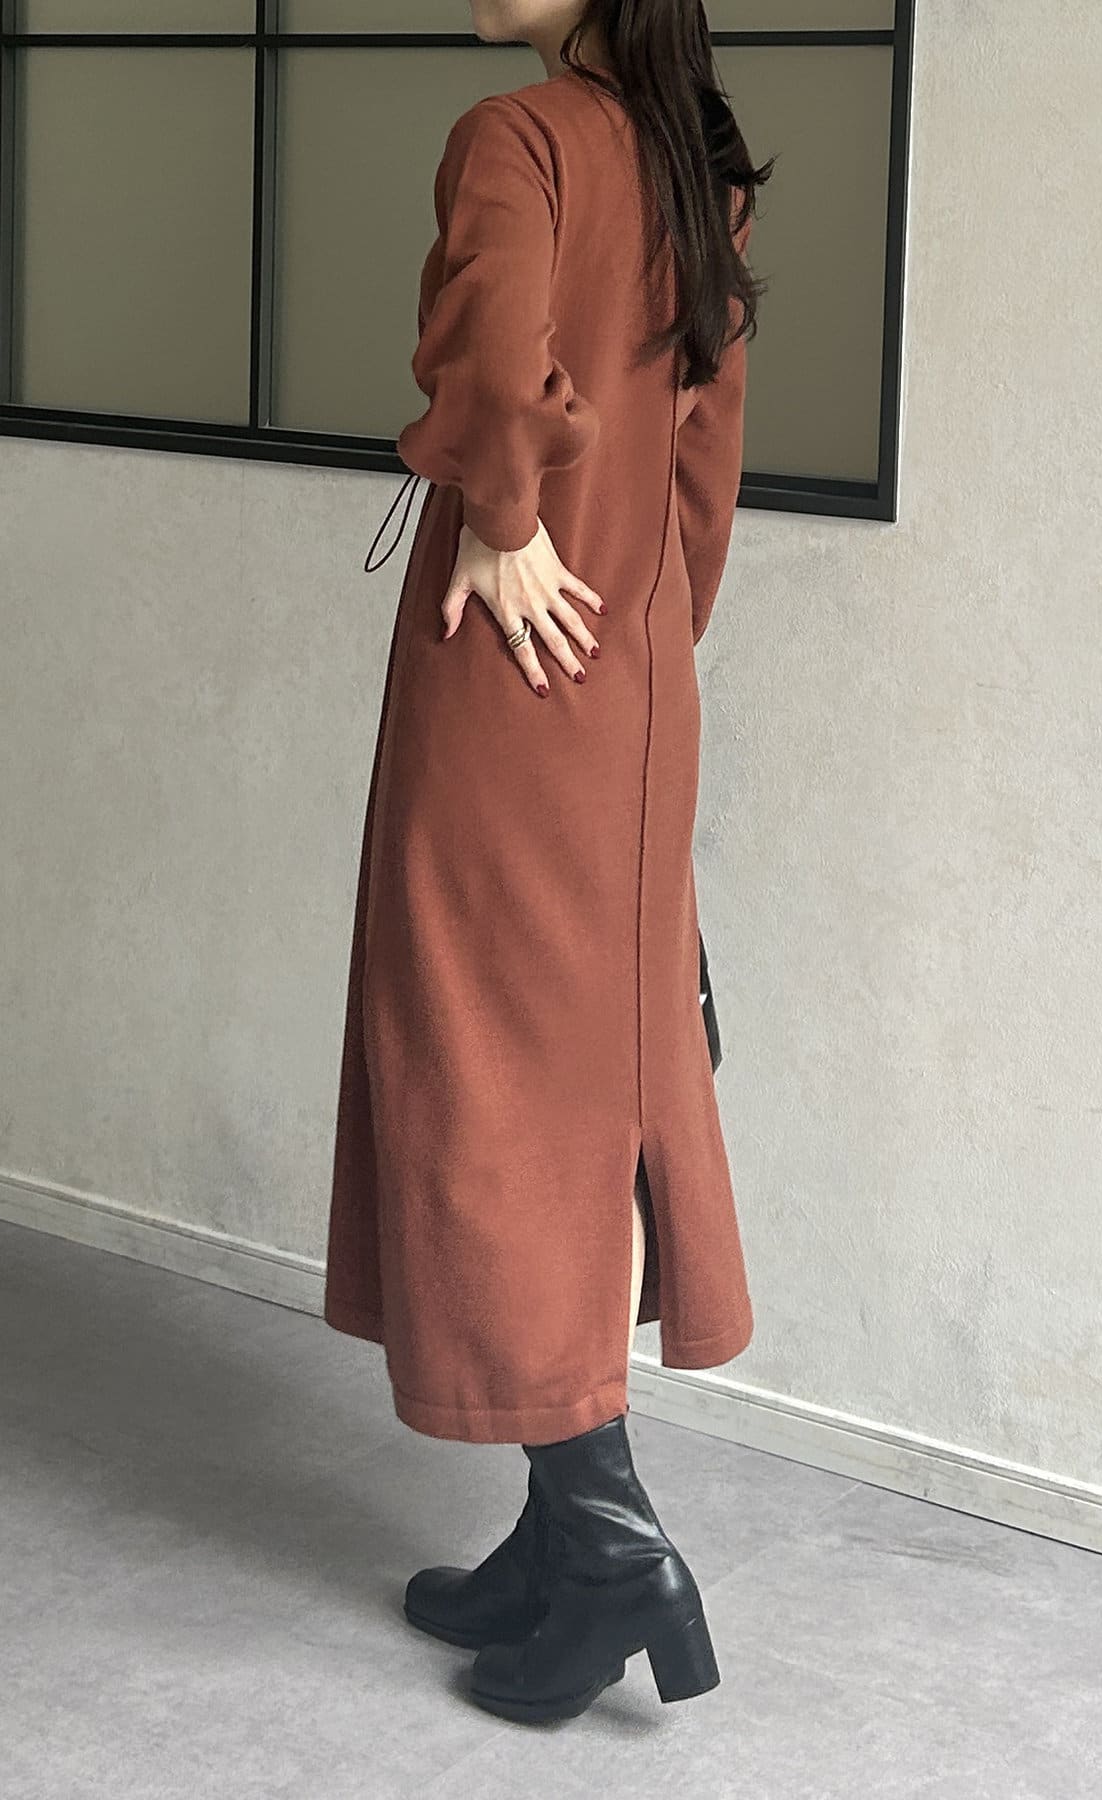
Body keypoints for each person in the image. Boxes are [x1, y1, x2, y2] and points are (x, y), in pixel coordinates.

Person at [324, 0, 773, 1724]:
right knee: (586, 1088)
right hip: (631, 690)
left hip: (514, 688)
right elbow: (704, 479)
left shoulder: (516, 138)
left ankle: (608, 1548)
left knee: (487, 1085)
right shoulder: (697, 167)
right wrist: (640, 644)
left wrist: (508, 523)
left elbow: (495, 359)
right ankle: (550, 1527)